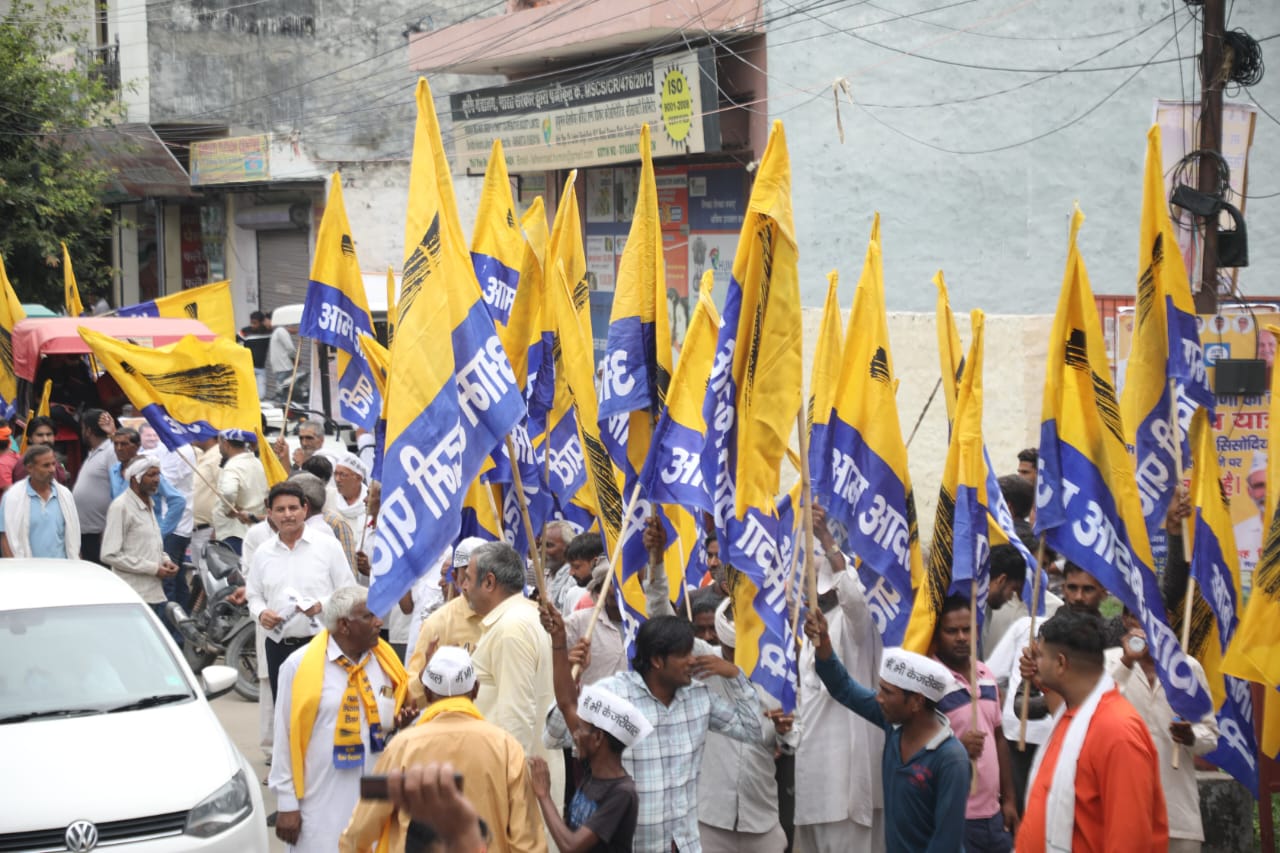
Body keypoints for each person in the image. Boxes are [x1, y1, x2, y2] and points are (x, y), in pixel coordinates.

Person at [543, 612, 763, 853]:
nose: (694, 660)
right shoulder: (614, 695)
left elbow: (753, 729)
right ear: (658, 660)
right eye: (684, 654)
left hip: (684, 845)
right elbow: (555, 736)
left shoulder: (700, 698)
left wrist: (733, 675)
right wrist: (573, 680)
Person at [341, 646, 544, 853]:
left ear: (427, 694)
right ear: (476, 689)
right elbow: (527, 841)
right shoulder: (507, 747)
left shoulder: (402, 746)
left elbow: (360, 831)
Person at [805, 607, 969, 853]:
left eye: (887, 692)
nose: (878, 698)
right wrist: (823, 643)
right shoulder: (893, 723)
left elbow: (945, 842)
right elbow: (844, 688)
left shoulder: (951, 759)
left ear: (916, 702)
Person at [270, 585, 414, 852]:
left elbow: (389, 726)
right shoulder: (298, 666)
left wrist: (401, 727)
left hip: (375, 797)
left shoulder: (387, 664)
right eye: (369, 617)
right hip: (321, 800)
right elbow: (284, 736)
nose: (379, 622)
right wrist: (286, 804)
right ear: (344, 626)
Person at [1015, 608, 1168, 852]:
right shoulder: (1071, 715)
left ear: (1061, 663)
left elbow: (1129, 841)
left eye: (1041, 655)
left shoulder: (1118, 732)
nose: (1034, 662)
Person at [793, 505, 885, 853]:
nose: (809, 585)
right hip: (811, 787)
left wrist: (826, 539)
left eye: (818, 578)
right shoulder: (807, 633)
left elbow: (856, 601)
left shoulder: (856, 629)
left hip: (846, 789)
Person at [465, 542, 565, 816]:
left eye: (468, 578)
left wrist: (507, 790)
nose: (463, 586)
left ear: (489, 582)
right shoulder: (526, 616)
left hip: (513, 782)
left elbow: (516, 716)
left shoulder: (512, 628)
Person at [1108, 608, 1217, 852]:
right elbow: (1094, 711)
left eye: (1152, 614)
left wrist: (1192, 736)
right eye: (1136, 615)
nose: (1144, 622)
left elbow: (1210, 736)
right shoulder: (1110, 662)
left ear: (1166, 617)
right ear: (1126, 620)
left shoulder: (1188, 669)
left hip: (1177, 813)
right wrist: (1127, 662)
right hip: (1121, 813)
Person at [697, 599, 797, 853]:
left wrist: (786, 732)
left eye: (743, 649)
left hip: (761, 816)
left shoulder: (778, 674)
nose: (736, 658)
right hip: (710, 817)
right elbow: (661, 621)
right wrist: (656, 567)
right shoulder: (706, 663)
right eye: (730, 650)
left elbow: (794, 739)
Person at [247, 481, 356, 701]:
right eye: (280, 509)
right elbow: (254, 596)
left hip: (321, 645)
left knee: (321, 712)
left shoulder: (327, 546)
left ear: (305, 509)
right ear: (270, 514)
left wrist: (321, 606)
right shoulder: (263, 553)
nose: (287, 515)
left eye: (293, 508)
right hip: (279, 647)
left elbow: (349, 592)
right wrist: (261, 613)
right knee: (286, 715)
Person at [931, 596, 1018, 852]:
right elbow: (916, 749)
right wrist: (957, 749)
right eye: (951, 631)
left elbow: (999, 737)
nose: (961, 637)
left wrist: (1010, 800)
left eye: (967, 629)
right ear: (937, 634)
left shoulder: (986, 674)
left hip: (995, 815)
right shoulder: (931, 683)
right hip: (956, 817)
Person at [530, 682, 647, 853]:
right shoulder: (592, 769)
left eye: (580, 729)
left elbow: (571, 846)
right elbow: (565, 703)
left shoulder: (622, 793)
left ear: (598, 738)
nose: (575, 735)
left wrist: (544, 795)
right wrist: (561, 656)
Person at [407, 537, 488, 703]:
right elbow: (410, 697)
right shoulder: (437, 624)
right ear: (455, 577)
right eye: (466, 576)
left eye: (479, 575)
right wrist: (427, 674)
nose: (471, 584)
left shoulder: (509, 617)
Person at [100, 456, 179, 626]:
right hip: (134, 596)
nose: (157, 480)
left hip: (153, 594)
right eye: (151, 475)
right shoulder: (121, 507)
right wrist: (153, 568)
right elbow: (109, 555)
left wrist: (166, 561)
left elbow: (149, 545)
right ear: (136, 478)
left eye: (158, 474)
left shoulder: (149, 504)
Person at [108, 428, 186, 547]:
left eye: (124, 444)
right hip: (123, 537)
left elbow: (178, 500)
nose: (119, 448)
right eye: (116, 444)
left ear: (137, 446)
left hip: (147, 538)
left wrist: (161, 532)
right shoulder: (114, 470)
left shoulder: (148, 472)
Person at [0, 444, 80, 558]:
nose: (52, 469)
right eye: (46, 466)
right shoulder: (12, 498)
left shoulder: (65, 496)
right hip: (28, 571)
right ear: (29, 468)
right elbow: (6, 538)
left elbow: (73, 535)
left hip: (62, 570)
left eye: (53, 464)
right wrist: (15, 570)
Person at [72, 408, 117, 564]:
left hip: (100, 533)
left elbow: (118, 487)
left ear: (88, 430)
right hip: (86, 532)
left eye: (83, 428)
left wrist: (111, 526)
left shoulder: (111, 450)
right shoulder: (94, 452)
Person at [214, 428, 268, 555]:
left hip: (236, 532)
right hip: (257, 530)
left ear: (225, 443)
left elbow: (228, 491)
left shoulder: (233, 466)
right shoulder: (257, 462)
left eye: (219, 443)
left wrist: (229, 510)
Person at [10, 416, 70, 485]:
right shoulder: (25, 464)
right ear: (30, 438)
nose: (45, 439)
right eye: (40, 435)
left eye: (49, 434)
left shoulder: (54, 459)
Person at [561, 532, 604, 612]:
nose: (571, 573)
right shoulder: (572, 594)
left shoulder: (613, 599)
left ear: (595, 562)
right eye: (570, 566)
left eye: (576, 567)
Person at [539, 521, 575, 613]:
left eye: (549, 545)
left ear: (568, 548)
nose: (541, 551)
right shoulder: (546, 575)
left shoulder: (574, 580)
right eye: (540, 545)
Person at [241, 310, 272, 398]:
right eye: (251, 323)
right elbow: (235, 345)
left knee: (261, 395)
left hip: (260, 369)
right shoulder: (245, 332)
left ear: (262, 323)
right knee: (248, 395)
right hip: (248, 368)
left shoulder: (268, 331)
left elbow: (280, 329)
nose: (252, 326)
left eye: (255, 323)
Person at [268, 318, 300, 402]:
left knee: (284, 388)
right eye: (296, 327)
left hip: (280, 366)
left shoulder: (278, 331)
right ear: (289, 326)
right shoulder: (282, 331)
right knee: (284, 390)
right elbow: (290, 348)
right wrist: (295, 358)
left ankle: (286, 405)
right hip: (284, 366)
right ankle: (284, 406)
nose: (297, 330)